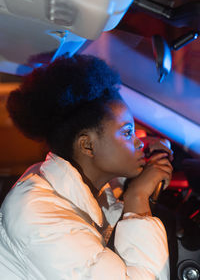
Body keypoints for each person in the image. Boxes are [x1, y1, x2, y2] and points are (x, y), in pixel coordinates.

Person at [0, 55, 173, 279]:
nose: (139, 142)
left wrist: (147, 153)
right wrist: (137, 198)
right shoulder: (42, 217)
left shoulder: (70, 183)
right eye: (128, 132)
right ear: (87, 145)